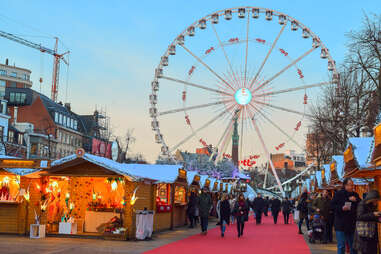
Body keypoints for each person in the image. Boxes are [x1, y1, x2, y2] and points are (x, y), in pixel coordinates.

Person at [331, 178, 361, 254]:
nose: (352, 187)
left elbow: (361, 205)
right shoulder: (338, 194)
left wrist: (356, 200)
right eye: (350, 185)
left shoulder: (355, 194)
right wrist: (341, 208)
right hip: (340, 224)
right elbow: (332, 206)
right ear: (345, 185)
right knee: (341, 246)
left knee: (353, 246)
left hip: (351, 224)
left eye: (352, 185)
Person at [354, 190, 381, 254]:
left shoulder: (373, 204)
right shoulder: (362, 204)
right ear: (371, 198)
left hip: (372, 232)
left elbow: (372, 217)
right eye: (376, 200)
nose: (377, 202)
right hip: (364, 233)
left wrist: (378, 218)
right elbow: (359, 216)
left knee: (373, 250)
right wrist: (373, 214)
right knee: (366, 250)